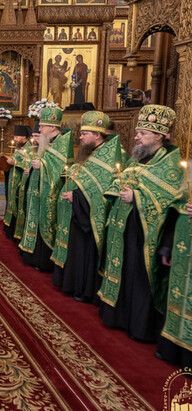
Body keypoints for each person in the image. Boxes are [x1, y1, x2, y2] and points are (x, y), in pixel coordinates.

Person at [98, 104, 183, 342]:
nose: (136, 137)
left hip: (145, 234)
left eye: (142, 133)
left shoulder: (170, 163)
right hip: (125, 228)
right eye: (137, 132)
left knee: (138, 275)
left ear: (158, 136)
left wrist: (136, 197)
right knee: (124, 270)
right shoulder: (139, 158)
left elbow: (170, 199)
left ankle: (138, 325)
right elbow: (122, 178)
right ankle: (119, 317)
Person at [50, 111, 125, 302]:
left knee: (85, 252)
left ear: (97, 135)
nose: (80, 137)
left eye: (84, 134)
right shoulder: (91, 153)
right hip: (78, 213)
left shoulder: (107, 156)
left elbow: (101, 189)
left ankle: (84, 290)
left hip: (89, 218)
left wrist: (75, 197)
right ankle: (73, 284)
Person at [19, 106, 74, 272]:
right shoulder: (47, 141)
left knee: (47, 222)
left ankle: (44, 260)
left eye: (42, 126)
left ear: (52, 127)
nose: (40, 129)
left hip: (52, 191)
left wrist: (41, 164)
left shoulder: (62, 142)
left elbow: (61, 167)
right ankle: (32, 255)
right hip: (38, 189)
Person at [157, 201, 192, 368]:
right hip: (182, 245)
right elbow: (175, 212)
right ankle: (171, 348)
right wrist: (167, 247)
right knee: (178, 295)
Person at [3, 125, 32, 240]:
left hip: (21, 183)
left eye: (17, 136)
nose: (15, 139)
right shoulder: (19, 147)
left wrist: (15, 162)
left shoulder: (30, 148)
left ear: (24, 137)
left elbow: (29, 164)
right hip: (13, 181)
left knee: (18, 206)